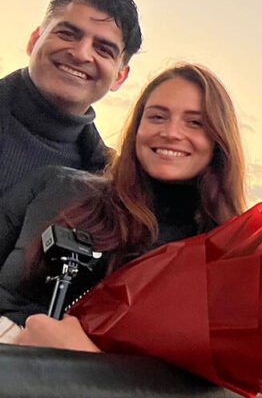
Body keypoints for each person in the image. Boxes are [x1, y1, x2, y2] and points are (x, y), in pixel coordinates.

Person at [0, 63, 244, 347]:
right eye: (157, 116)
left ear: (219, 139)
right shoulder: (55, 186)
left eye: (195, 122)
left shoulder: (228, 255)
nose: (171, 132)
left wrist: (79, 362)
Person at [0, 0, 142, 197]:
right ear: (34, 41)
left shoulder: (112, 188)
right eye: (67, 34)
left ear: (120, 77)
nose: (81, 54)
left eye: (103, 50)